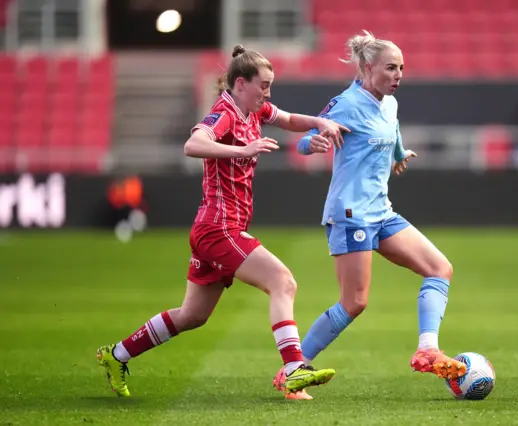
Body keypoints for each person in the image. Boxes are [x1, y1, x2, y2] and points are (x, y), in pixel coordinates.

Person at [96, 45, 349, 400]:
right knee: (283, 282)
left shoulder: (254, 111)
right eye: (264, 85)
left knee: (192, 315)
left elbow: (289, 120)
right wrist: (241, 150)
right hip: (219, 228)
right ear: (241, 83)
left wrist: (319, 121)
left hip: (219, 227)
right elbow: (193, 144)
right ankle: (293, 369)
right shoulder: (225, 112)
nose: (268, 93)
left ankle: (115, 355)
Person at [274, 30, 466, 396]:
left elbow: (391, 131)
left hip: (381, 212)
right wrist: (310, 143)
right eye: (391, 68)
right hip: (350, 214)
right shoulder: (346, 103)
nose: (398, 75)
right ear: (366, 68)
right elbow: (308, 133)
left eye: (402, 68)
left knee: (440, 268)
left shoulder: (389, 103)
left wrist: (398, 154)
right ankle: (292, 370)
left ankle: (427, 349)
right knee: (355, 302)